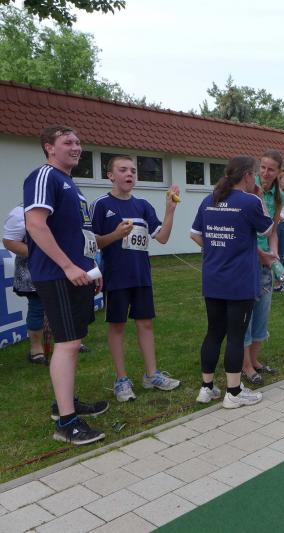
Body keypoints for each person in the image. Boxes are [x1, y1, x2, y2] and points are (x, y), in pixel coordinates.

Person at [24, 124, 108, 445]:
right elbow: (35, 225)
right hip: (57, 274)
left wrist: (90, 270)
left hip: (78, 273)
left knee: (72, 341)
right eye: (67, 142)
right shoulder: (44, 176)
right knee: (68, 343)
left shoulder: (70, 183)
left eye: (78, 141)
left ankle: (65, 403)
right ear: (49, 147)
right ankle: (67, 423)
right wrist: (68, 266)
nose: (76, 147)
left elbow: (80, 234)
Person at [90, 155, 181, 402]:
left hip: (141, 276)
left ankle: (152, 375)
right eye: (123, 170)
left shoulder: (142, 205)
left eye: (133, 170)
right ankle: (121, 380)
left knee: (146, 324)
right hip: (116, 276)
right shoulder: (101, 205)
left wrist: (170, 211)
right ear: (111, 175)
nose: (129, 174)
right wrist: (115, 235)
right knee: (117, 326)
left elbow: (162, 237)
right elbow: (91, 243)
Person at [190, 155, 272, 408]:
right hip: (239, 280)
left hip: (213, 278)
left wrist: (217, 248)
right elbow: (268, 228)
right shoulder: (250, 201)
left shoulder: (209, 200)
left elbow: (195, 234)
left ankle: (206, 388)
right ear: (247, 175)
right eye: (254, 174)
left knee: (214, 332)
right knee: (236, 335)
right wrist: (260, 198)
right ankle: (234, 392)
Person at [241, 150, 283, 385]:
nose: (265, 173)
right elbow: (241, 229)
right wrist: (260, 253)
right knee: (245, 315)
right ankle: (245, 365)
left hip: (266, 261)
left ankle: (254, 360)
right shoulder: (248, 188)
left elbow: (272, 230)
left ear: (278, 172)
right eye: (263, 168)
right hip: (247, 258)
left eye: (271, 170)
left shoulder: (278, 196)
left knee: (262, 314)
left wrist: (274, 255)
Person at [3, 205, 46, 364]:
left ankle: (71, 341)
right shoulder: (21, 212)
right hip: (32, 270)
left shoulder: (62, 206)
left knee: (66, 306)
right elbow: (9, 241)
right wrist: (42, 253)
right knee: (37, 308)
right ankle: (36, 349)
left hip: (63, 268)